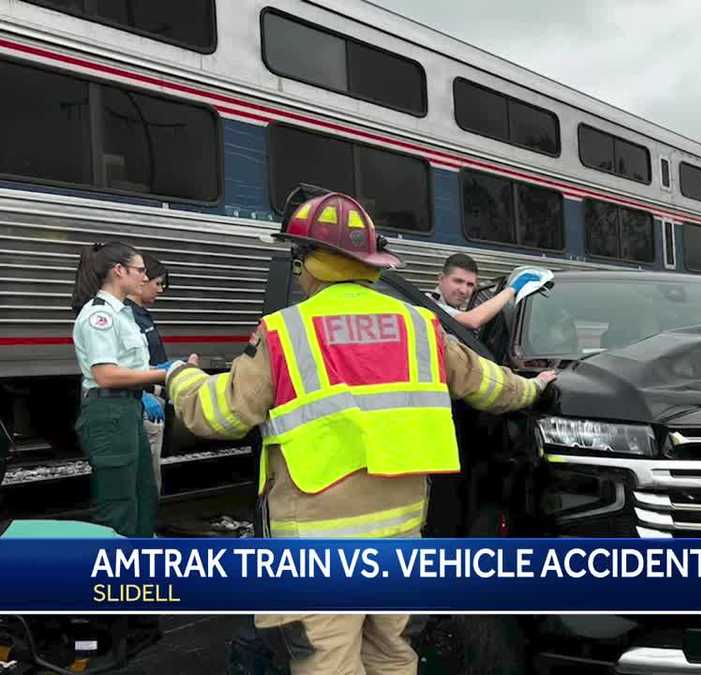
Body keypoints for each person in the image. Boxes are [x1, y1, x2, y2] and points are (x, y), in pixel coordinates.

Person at [163, 192, 555, 675]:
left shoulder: (285, 331)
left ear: (309, 261)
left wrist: (179, 376)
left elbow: (217, 416)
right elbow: (489, 385)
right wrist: (535, 388)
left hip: (317, 550)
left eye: (300, 258)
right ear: (370, 262)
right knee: (393, 656)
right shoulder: (421, 326)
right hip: (399, 536)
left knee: (329, 663)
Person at [69, 242, 195, 537]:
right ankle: (117, 574)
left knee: (142, 495)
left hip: (127, 408)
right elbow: (106, 375)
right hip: (109, 411)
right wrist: (164, 374)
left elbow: (130, 369)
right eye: (139, 270)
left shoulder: (123, 313)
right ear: (119, 271)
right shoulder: (99, 316)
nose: (144, 276)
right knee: (119, 505)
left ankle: (140, 562)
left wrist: (165, 372)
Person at [126, 253, 170, 493]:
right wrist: (143, 394)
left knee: (149, 470)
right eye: (158, 283)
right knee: (146, 475)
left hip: (150, 394)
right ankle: (144, 526)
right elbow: (122, 365)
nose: (160, 290)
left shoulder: (141, 315)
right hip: (142, 399)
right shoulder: (127, 316)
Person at [427, 253, 547, 331]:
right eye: (458, 281)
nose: (463, 290)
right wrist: (512, 289)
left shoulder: (455, 310)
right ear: (441, 278)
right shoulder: (427, 304)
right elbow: (473, 320)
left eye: (470, 285)